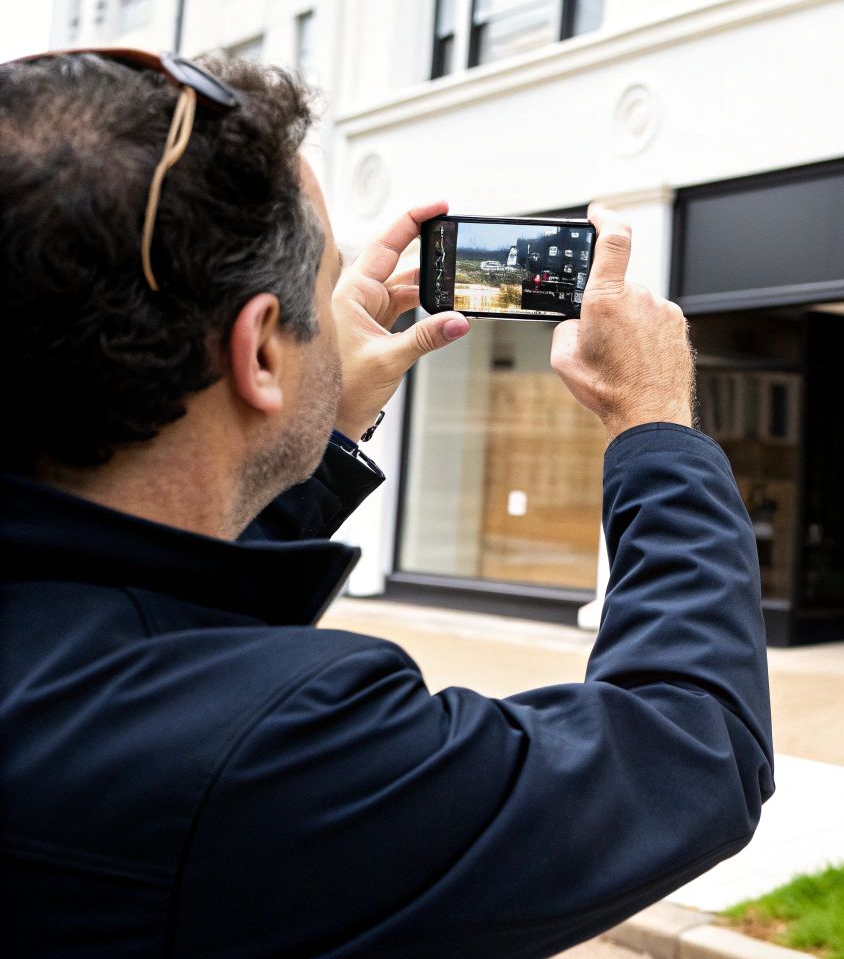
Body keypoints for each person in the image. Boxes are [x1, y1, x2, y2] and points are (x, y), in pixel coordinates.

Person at [0, 52, 773, 957]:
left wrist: (314, 414)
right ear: (257, 353)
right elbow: (690, 752)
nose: (340, 316)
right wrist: (655, 420)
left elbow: (142, 608)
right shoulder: (276, 751)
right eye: (321, 295)